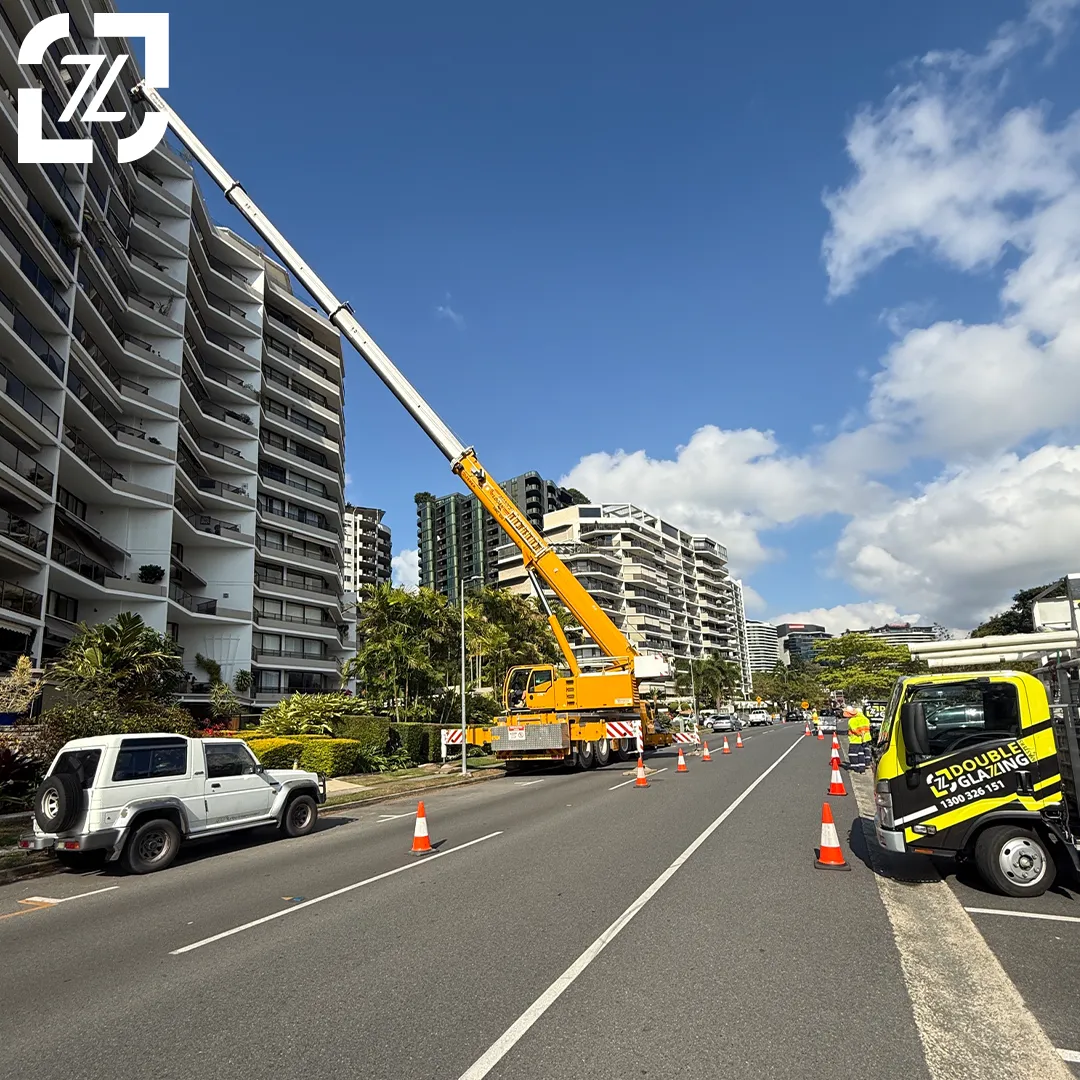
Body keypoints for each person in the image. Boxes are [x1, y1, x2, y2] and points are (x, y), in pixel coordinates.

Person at [844, 706, 872, 773]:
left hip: (855, 739)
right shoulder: (866, 719)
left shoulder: (852, 720)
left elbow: (855, 730)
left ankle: (855, 767)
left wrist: (858, 733)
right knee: (861, 753)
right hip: (865, 739)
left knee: (852, 754)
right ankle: (863, 768)